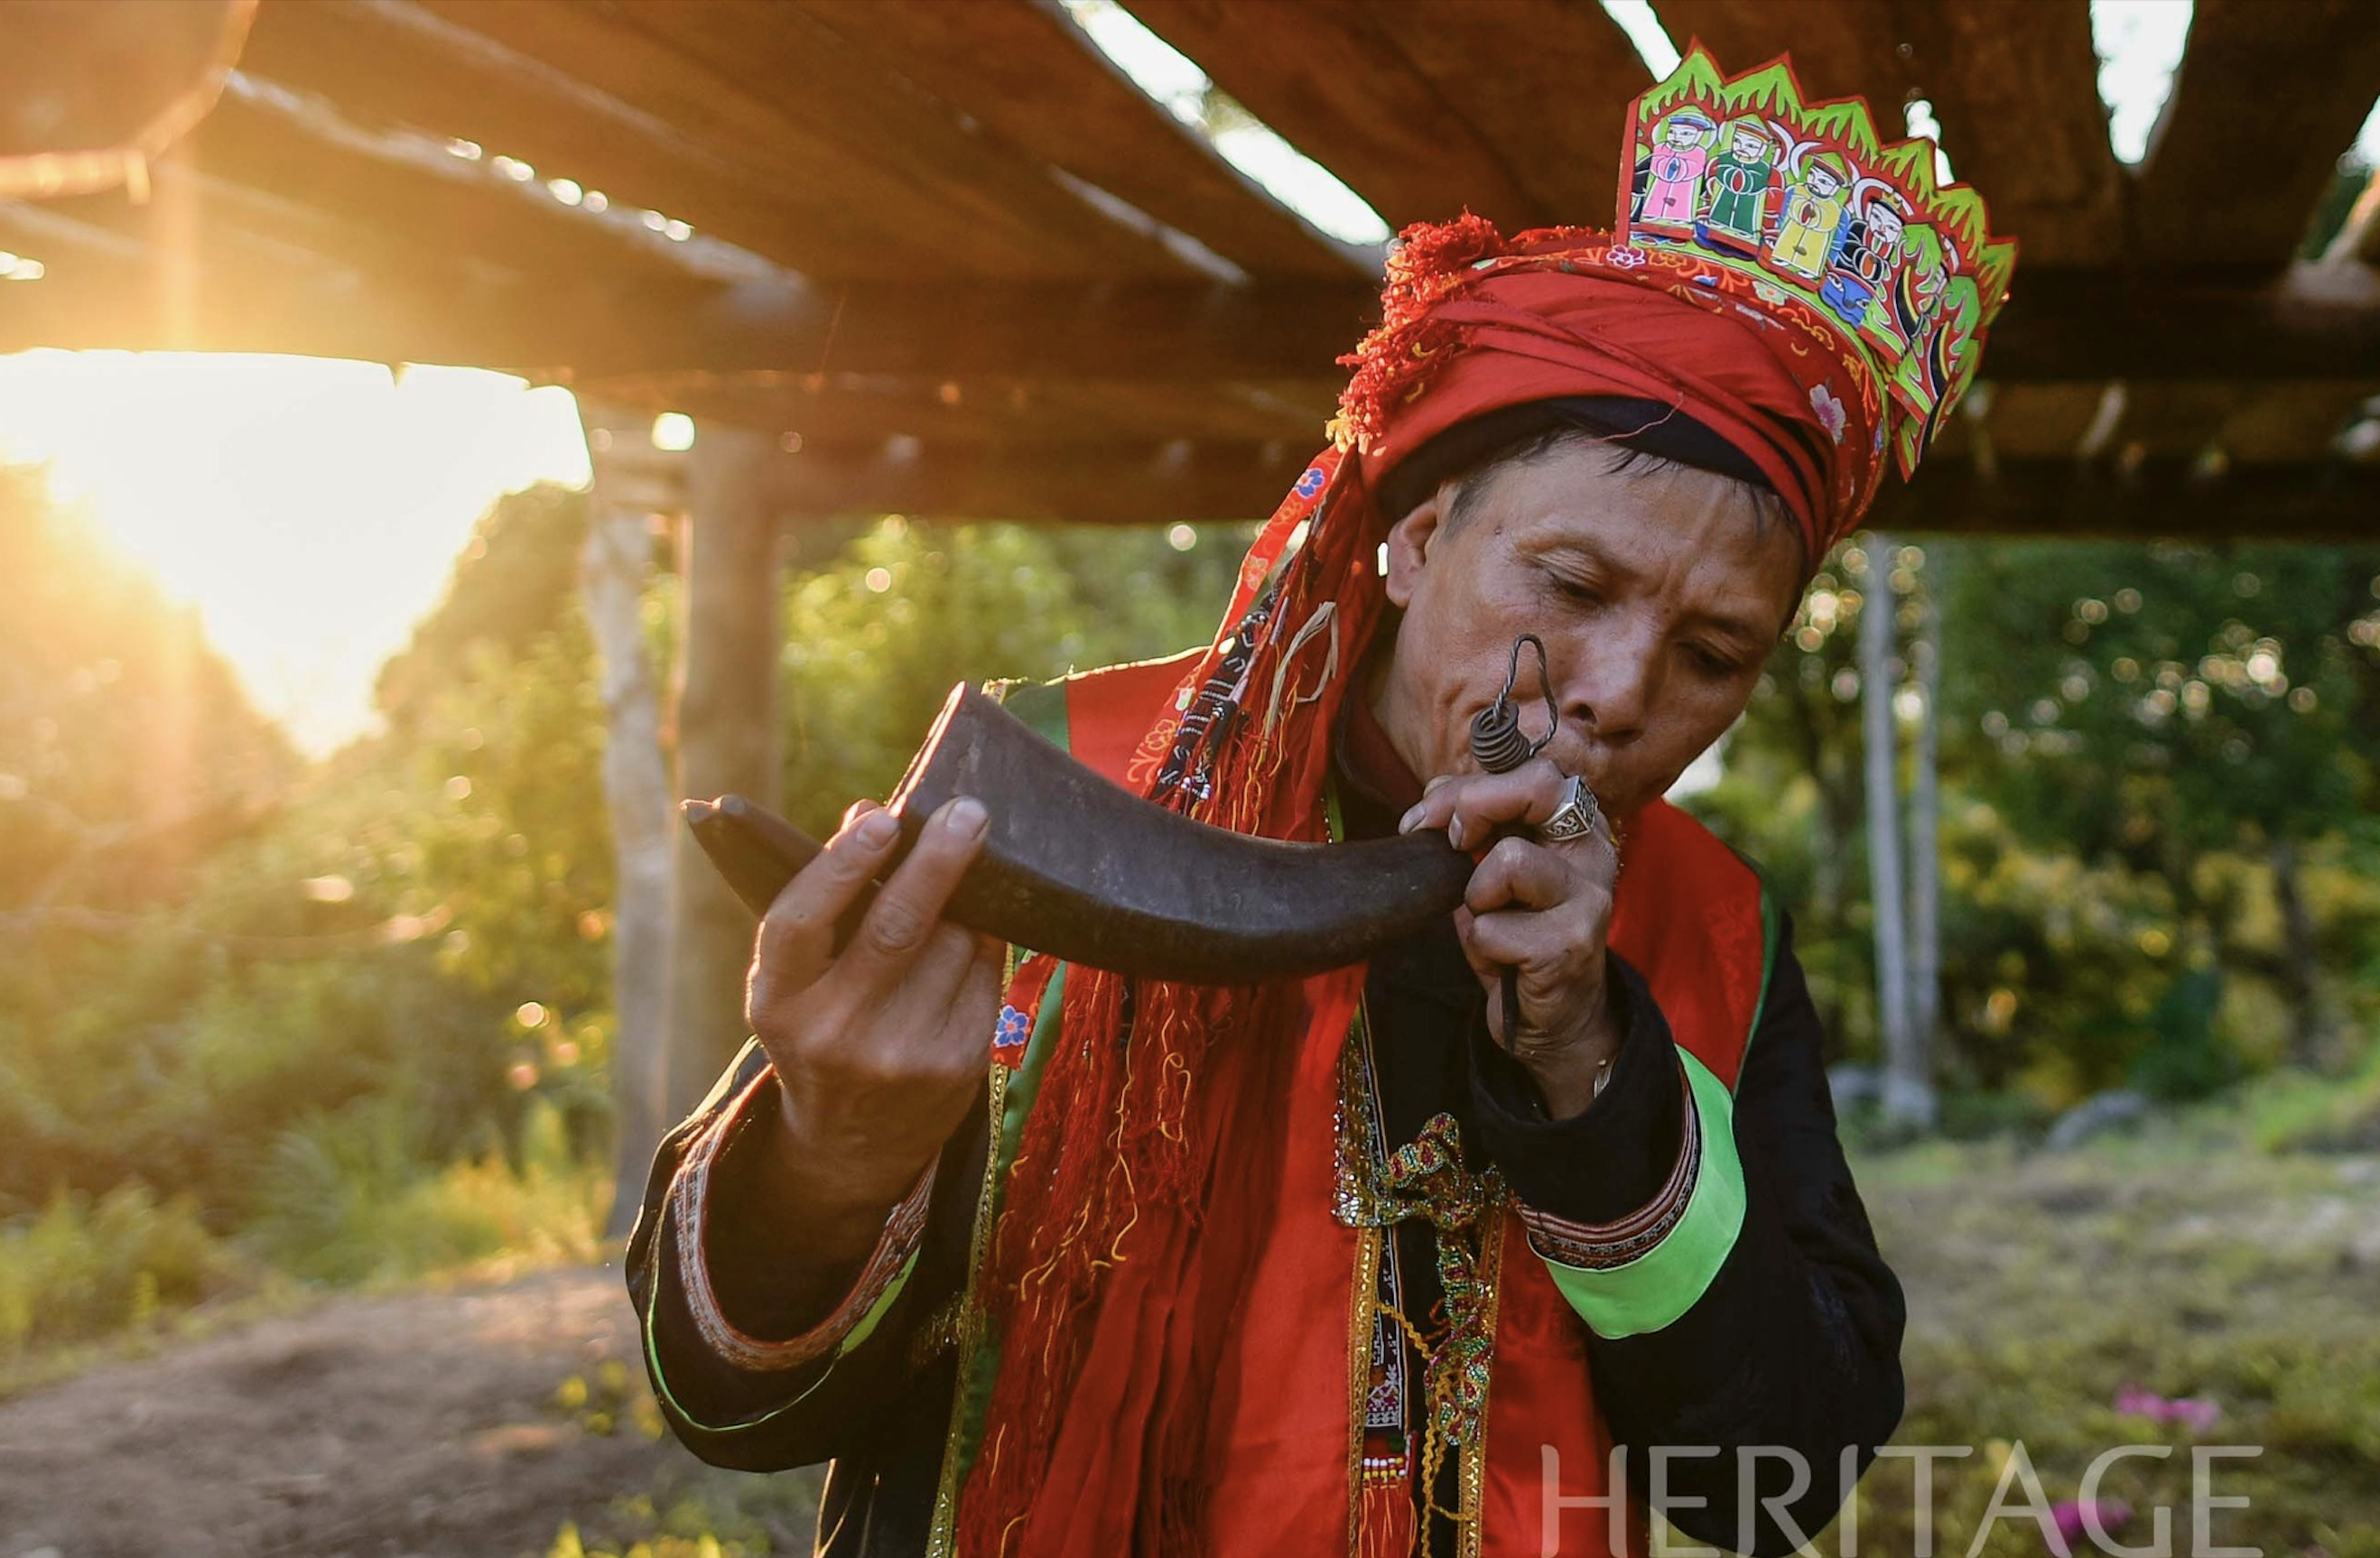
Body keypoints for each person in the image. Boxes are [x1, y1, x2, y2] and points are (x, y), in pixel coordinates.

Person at [627, 43, 2013, 1558]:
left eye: (1712, 652)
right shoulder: (1061, 795)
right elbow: (725, 1403)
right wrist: (835, 1151)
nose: (1620, 690)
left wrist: (1594, 1073)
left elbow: (1786, 1479)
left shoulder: (1713, 933)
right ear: (1415, 538)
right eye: (1571, 581)